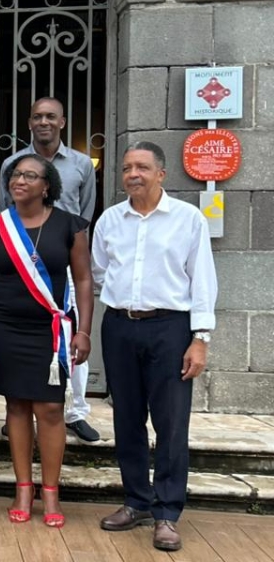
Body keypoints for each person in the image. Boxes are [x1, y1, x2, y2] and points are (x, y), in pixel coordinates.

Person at [93, 141, 216, 552]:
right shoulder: (110, 220)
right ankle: (136, 501)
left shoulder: (187, 219)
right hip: (120, 327)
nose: (133, 174)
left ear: (161, 174)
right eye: (127, 167)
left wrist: (199, 339)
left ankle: (166, 512)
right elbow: (99, 272)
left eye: (142, 167)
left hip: (170, 329)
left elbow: (202, 280)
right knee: (126, 418)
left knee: (170, 421)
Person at [0, 154, 93, 528]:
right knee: (17, 407)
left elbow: (85, 280)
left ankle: (51, 490)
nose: (20, 180)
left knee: (51, 409)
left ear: (47, 186)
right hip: (5, 327)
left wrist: (84, 330)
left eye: (30, 175)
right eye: (15, 174)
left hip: (50, 328)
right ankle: (24, 487)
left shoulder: (69, 226)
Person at [0, 97, 100, 443]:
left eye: (51, 116)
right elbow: (6, 208)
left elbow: (84, 213)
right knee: (20, 334)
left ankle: (74, 410)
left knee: (68, 335)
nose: (44, 122)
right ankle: (19, 409)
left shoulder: (82, 164)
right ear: (29, 122)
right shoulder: (12, 163)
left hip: (63, 259)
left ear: (63, 122)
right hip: (22, 261)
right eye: (37, 116)